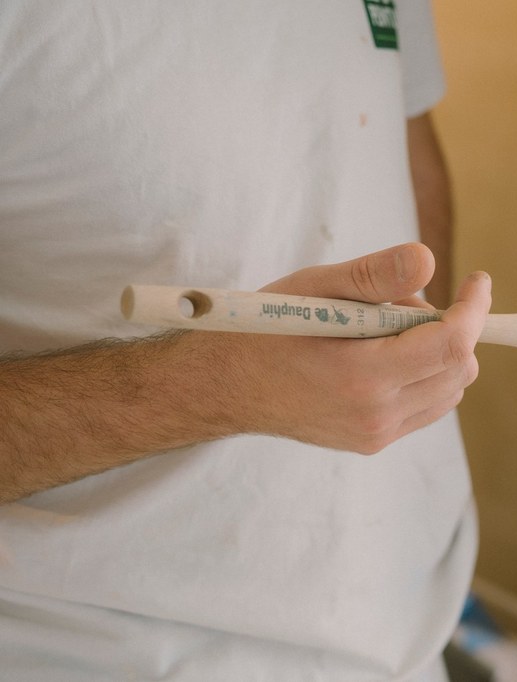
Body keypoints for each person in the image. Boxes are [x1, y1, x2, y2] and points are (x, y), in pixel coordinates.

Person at [0, 2, 489, 680]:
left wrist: (415, 342)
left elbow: (400, 144)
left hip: (401, 633)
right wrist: (218, 385)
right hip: (89, 655)